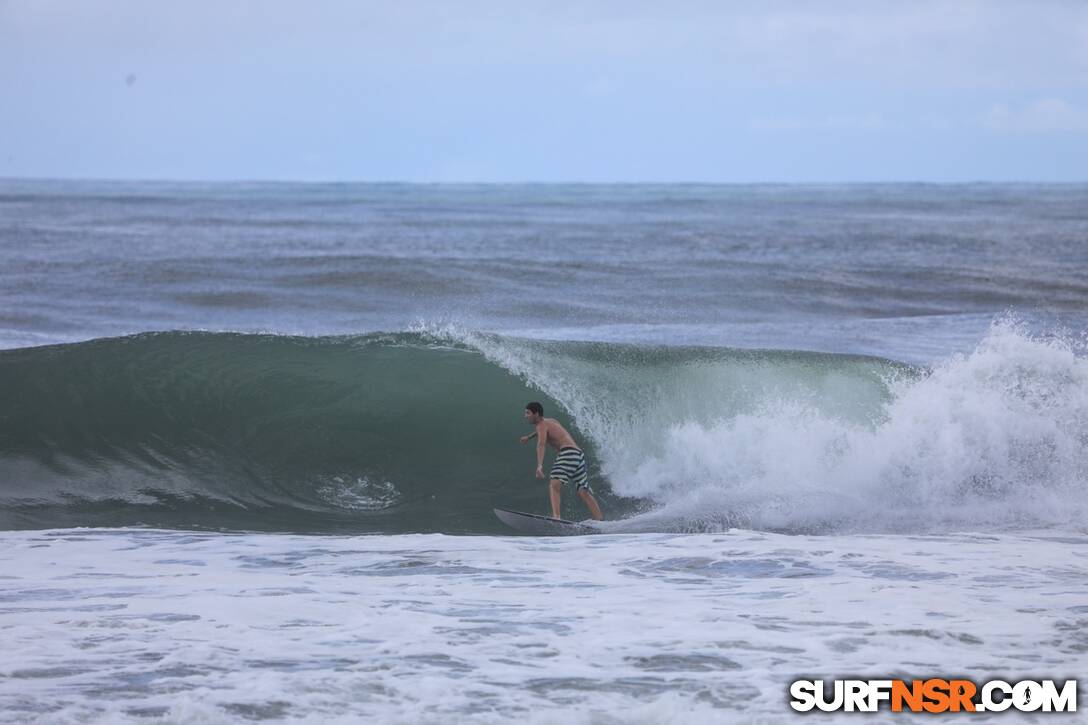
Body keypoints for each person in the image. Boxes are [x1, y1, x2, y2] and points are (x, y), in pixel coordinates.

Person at [519, 401, 604, 521]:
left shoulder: (541, 425)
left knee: (554, 484)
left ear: (536, 414)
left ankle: (556, 518)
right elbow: (542, 431)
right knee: (583, 492)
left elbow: (541, 444)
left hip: (568, 453)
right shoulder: (551, 421)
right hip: (578, 455)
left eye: (528, 413)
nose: (525, 416)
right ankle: (600, 519)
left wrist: (539, 466)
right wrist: (529, 437)